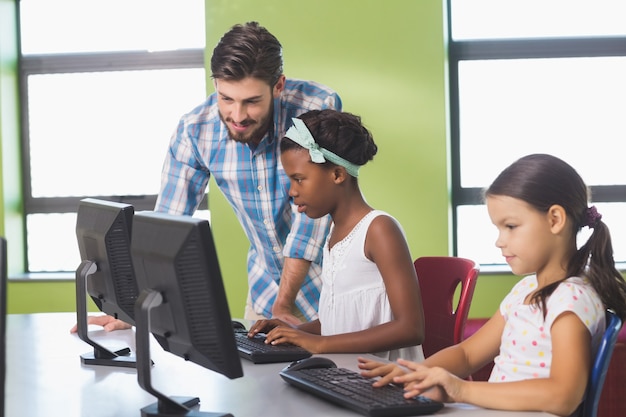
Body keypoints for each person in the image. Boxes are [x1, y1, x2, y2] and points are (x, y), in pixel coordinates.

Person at [70, 21, 342, 334]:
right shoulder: (195, 131)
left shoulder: (315, 108)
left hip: (335, 288)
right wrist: (134, 307)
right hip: (266, 292)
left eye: (252, 101)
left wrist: (284, 304)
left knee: (340, 379)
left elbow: (311, 222)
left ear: (278, 86)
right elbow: (167, 225)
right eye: (226, 98)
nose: (238, 116)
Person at [359, 153, 626, 416]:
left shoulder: (569, 301)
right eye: (498, 228)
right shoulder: (525, 291)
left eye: (510, 226)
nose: (499, 240)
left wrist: (460, 390)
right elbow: (467, 354)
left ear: (555, 219)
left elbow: (563, 396)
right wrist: (416, 373)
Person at [247, 109, 425, 361]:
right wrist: (294, 330)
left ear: (338, 174)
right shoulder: (334, 233)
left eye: (299, 179)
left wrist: (318, 345)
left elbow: (411, 329)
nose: (291, 191)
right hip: (348, 374)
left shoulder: (379, 229)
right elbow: (340, 322)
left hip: (388, 381)